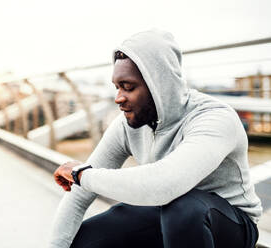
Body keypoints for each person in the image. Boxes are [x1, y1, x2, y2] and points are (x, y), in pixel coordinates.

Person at [49, 29, 262, 248]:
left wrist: (82, 174)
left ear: (159, 84)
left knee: (184, 210)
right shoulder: (127, 124)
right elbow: (77, 197)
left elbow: (165, 184)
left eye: (128, 87)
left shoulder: (214, 118)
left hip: (231, 225)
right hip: (168, 213)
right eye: (116, 87)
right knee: (85, 240)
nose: (118, 98)